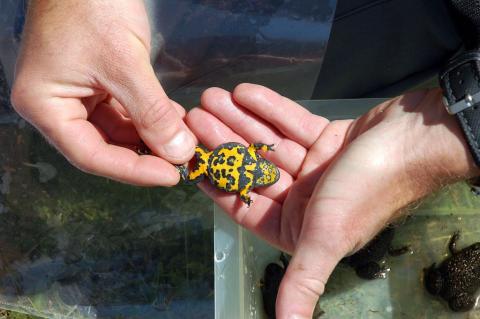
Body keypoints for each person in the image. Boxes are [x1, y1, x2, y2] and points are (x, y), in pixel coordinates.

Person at [10, 1, 480, 318]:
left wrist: (456, 130)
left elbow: (247, 163)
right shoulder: (251, 172)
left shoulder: (250, 169)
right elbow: (247, 167)